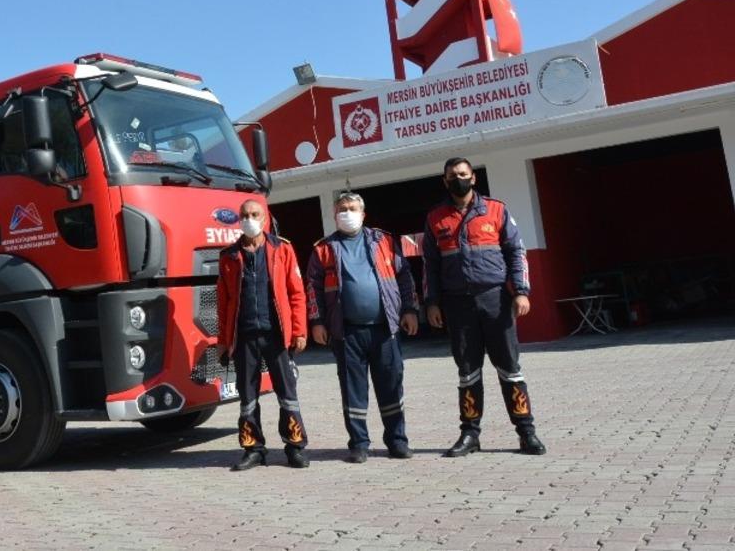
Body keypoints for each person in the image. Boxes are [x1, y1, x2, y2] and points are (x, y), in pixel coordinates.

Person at [423, 157, 547, 457]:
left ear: (473, 178)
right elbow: (430, 265)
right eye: (452, 176)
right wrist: (432, 303)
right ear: (445, 181)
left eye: (463, 174)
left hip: (495, 300)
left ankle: (526, 433)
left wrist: (520, 291)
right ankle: (470, 435)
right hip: (457, 304)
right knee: (467, 371)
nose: (458, 179)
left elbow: (516, 252)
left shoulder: (497, 209)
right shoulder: (435, 217)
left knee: (510, 368)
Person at [306, 192, 419, 463]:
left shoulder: (384, 241)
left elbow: (404, 276)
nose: (347, 213)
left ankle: (397, 441)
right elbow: (313, 288)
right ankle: (359, 443)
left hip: (385, 327)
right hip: (346, 331)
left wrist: (410, 310)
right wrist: (317, 322)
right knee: (352, 389)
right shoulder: (323, 248)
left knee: (391, 385)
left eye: (352, 208)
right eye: (342, 209)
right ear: (335, 215)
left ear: (363, 213)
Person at [216, 199, 310, 470]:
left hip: (277, 334)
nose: (249, 219)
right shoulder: (229, 256)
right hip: (244, 336)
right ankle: (253, 449)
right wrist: (222, 341)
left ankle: (294, 447)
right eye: (244, 215)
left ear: (265, 217)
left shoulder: (283, 249)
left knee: (287, 392)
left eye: (254, 214)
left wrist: (300, 330)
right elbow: (223, 304)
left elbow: (296, 293)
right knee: (248, 396)